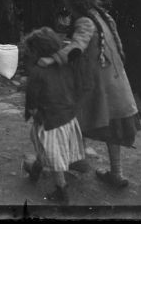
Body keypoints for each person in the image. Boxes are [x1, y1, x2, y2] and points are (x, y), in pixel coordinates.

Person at [39, 0, 141, 188]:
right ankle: (116, 173)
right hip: (115, 78)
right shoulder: (104, 17)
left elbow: (77, 47)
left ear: (72, 4)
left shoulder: (85, 22)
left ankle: (68, 162)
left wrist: (53, 59)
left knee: (76, 117)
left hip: (96, 83)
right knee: (113, 125)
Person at [23, 27, 86, 205]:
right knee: (48, 147)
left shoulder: (37, 72)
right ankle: (35, 169)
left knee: (51, 151)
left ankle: (61, 190)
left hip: (49, 120)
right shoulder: (66, 65)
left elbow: (32, 101)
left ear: (35, 51)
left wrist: (34, 114)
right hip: (68, 116)